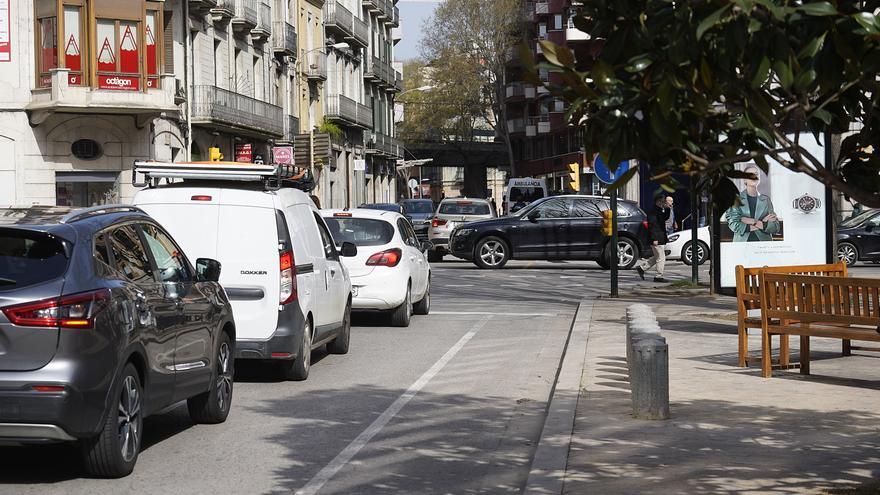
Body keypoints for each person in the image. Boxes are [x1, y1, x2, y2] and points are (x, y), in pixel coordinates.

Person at [725, 164, 779, 242]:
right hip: (742, 245)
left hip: (764, 245)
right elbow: (734, 224)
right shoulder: (736, 199)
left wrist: (749, 221)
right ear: (744, 180)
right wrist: (762, 222)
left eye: (756, 174)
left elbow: (775, 227)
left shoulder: (766, 199)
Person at [636, 194, 671, 283]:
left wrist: (667, 208)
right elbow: (652, 226)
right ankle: (658, 276)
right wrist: (654, 238)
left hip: (660, 237)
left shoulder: (659, 210)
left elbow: (665, 218)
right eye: (662, 201)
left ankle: (642, 268)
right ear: (658, 201)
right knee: (661, 257)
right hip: (656, 238)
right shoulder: (653, 212)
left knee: (657, 257)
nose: (663, 203)